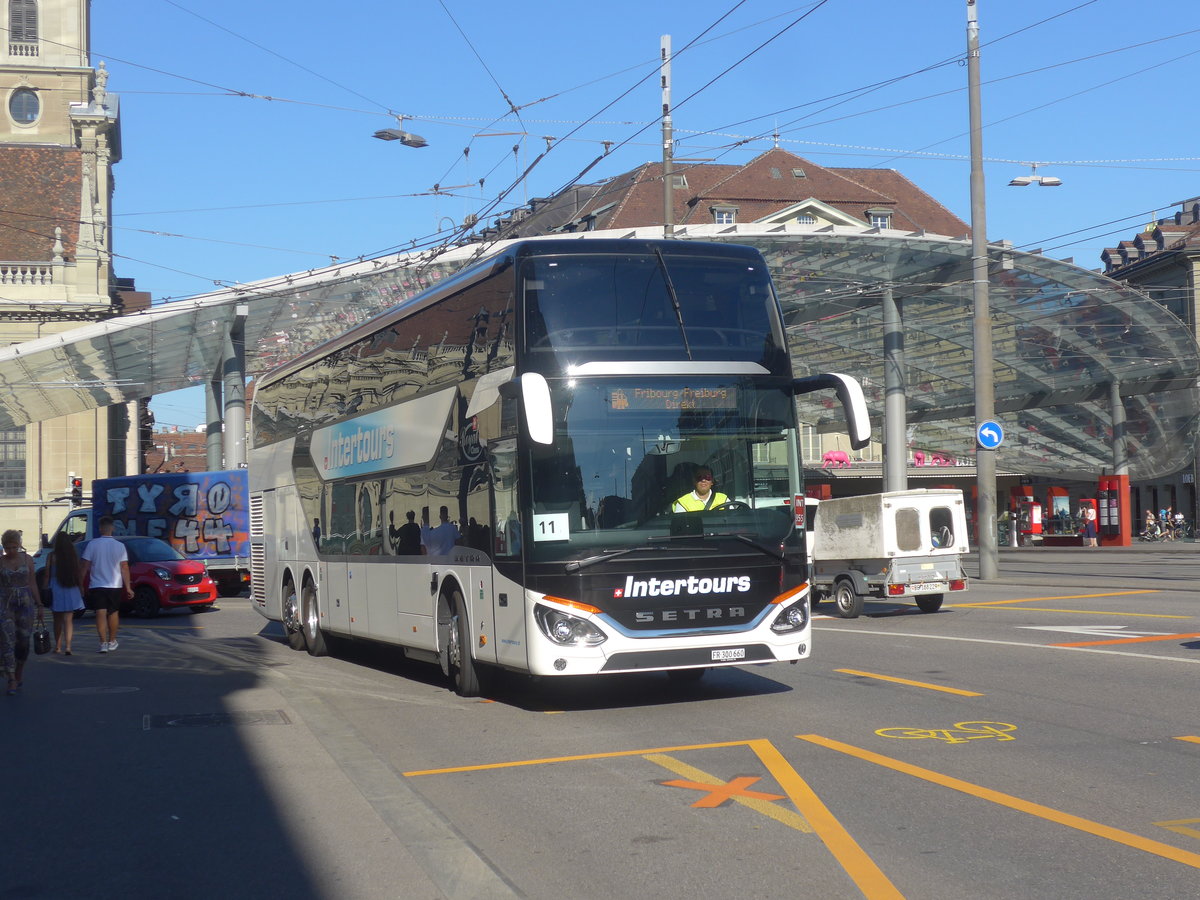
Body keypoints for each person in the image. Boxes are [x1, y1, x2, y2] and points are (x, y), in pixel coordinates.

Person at [80, 516, 133, 653]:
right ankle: (112, 640)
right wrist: (128, 587)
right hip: (115, 584)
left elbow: (85, 566)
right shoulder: (120, 546)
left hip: (97, 584)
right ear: (113, 528)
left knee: (100, 613)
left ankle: (102, 643)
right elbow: (124, 567)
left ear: (100, 529)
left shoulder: (92, 544)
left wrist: (80, 584)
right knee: (113, 612)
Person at [0, 529, 41, 694]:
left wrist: (39, 604)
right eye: (7, 548)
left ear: (19, 546)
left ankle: (19, 672)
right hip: (5, 604)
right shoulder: (1, 562)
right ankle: (11, 678)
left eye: (13, 547)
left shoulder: (27, 559)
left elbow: (33, 583)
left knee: (23, 641)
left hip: (25, 604)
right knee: (7, 640)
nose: (10, 551)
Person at [45, 531, 86, 655]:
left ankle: (57, 647)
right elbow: (78, 573)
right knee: (69, 619)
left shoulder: (52, 556)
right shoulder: (72, 555)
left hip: (56, 588)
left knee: (57, 619)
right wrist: (81, 587)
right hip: (70, 587)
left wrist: (44, 588)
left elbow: (47, 574)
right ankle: (68, 647)